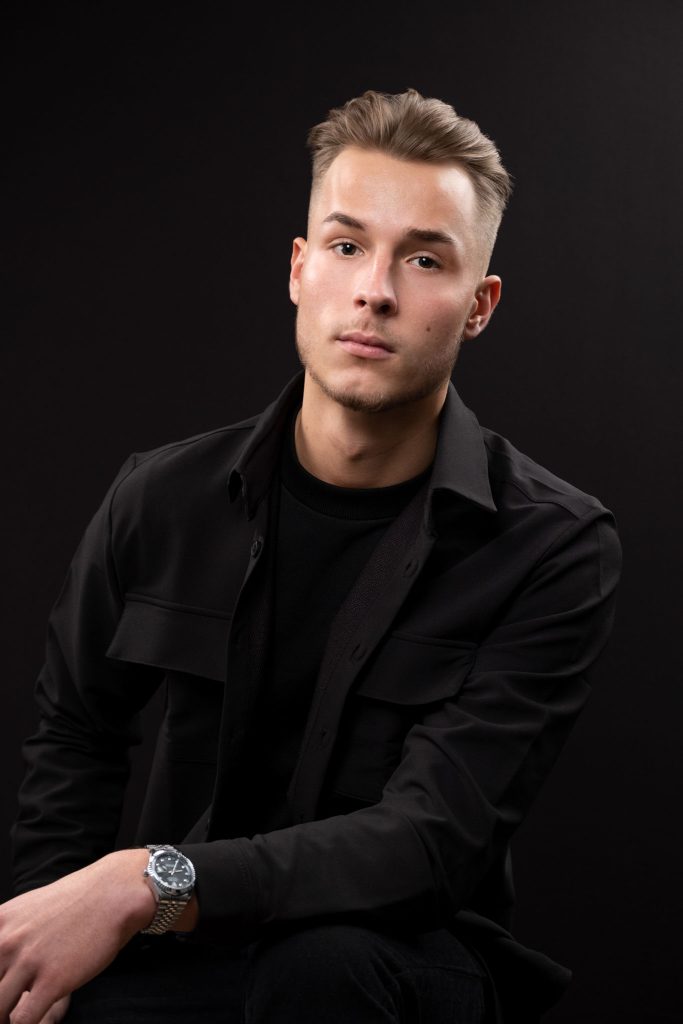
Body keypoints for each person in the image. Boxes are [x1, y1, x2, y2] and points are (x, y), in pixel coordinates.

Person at [2, 88, 621, 1024]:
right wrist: (53, 929)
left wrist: (148, 879)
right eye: (345, 246)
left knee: (321, 967)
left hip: (401, 964)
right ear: (299, 269)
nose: (374, 289)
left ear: (480, 304)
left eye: (422, 259)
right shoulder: (161, 497)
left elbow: (425, 845)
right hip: (182, 950)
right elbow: (76, 738)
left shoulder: (550, 546)